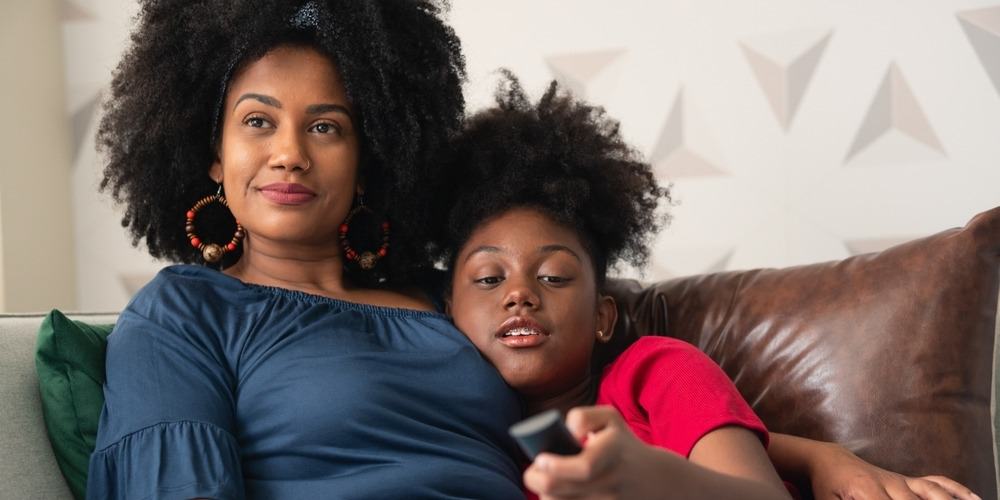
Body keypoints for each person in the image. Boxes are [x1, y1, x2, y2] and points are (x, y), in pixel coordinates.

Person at [438, 75, 981, 500]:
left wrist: (654, 480)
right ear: (447, 312)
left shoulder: (654, 372)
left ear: (604, 316)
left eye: (553, 275)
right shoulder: (457, 433)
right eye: (489, 279)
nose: (519, 294)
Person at [89, 1, 524, 498]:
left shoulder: (451, 295)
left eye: (325, 127)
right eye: (258, 121)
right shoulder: (183, 315)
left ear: (366, 164)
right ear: (215, 155)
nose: (291, 155)